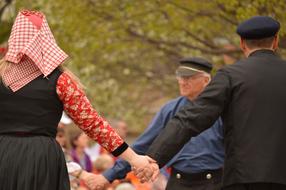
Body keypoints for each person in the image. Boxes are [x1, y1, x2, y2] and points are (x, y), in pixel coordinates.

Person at [0, 10, 155, 190]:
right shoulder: (60, 80)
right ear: (46, 39)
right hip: (42, 158)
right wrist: (134, 159)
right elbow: (93, 124)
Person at [144, 16, 286, 190]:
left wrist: (154, 157)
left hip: (242, 178)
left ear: (242, 43)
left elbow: (190, 118)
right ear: (276, 40)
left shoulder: (230, 76)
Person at [93, 58, 224, 190]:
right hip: (178, 182)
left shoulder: (222, 110)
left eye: (189, 78)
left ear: (206, 80)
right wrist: (108, 176)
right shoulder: (170, 109)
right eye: (180, 77)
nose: (182, 82)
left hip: (214, 182)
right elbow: (142, 145)